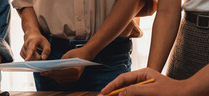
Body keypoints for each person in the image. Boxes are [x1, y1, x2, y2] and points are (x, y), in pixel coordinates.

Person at [13, 0, 157, 91]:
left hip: (108, 57)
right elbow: (25, 2)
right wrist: (31, 31)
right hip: (50, 56)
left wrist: (89, 50)